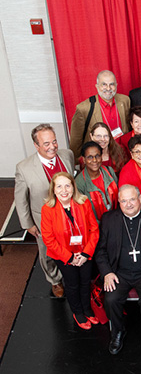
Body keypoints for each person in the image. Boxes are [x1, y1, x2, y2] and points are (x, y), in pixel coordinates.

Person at [95, 184, 141, 356]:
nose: (128, 204)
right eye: (123, 201)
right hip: (119, 272)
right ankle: (118, 332)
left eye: (132, 199)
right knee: (111, 299)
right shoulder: (108, 219)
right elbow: (100, 251)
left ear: (140, 199)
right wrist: (107, 273)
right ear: (119, 203)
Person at [14, 124, 74, 297]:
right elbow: (21, 199)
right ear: (36, 145)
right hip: (44, 220)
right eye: (46, 143)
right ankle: (55, 281)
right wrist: (28, 225)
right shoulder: (24, 168)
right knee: (47, 252)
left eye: (54, 141)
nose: (52, 146)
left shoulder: (67, 156)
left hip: (70, 214)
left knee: (72, 245)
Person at [40, 172, 99, 330]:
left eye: (67, 185)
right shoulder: (47, 209)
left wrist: (86, 253)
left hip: (85, 253)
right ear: (53, 189)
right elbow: (48, 239)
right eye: (59, 186)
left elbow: (94, 230)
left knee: (86, 282)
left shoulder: (83, 203)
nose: (64, 190)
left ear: (73, 187)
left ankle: (87, 308)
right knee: (72, 284)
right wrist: (70, 257)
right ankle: (77, 312)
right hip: (64, 256)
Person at [69, 70, 130, 158]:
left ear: (116, 85)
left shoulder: (125, 101)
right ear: (97, 86)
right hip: (98, 159)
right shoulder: (84, 108)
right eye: (104, 84)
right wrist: (77, 162)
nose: (108, 88)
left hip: (122, 157)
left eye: (111, 84)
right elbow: (76, 141)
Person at [75, 141, 118, 221]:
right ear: (84, 159)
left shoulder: (109, 171)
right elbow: (84, 213)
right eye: (90, 157)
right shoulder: (79, 183)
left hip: (116, 219)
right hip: (96, 226)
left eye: (97, 156)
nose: (94, 160)